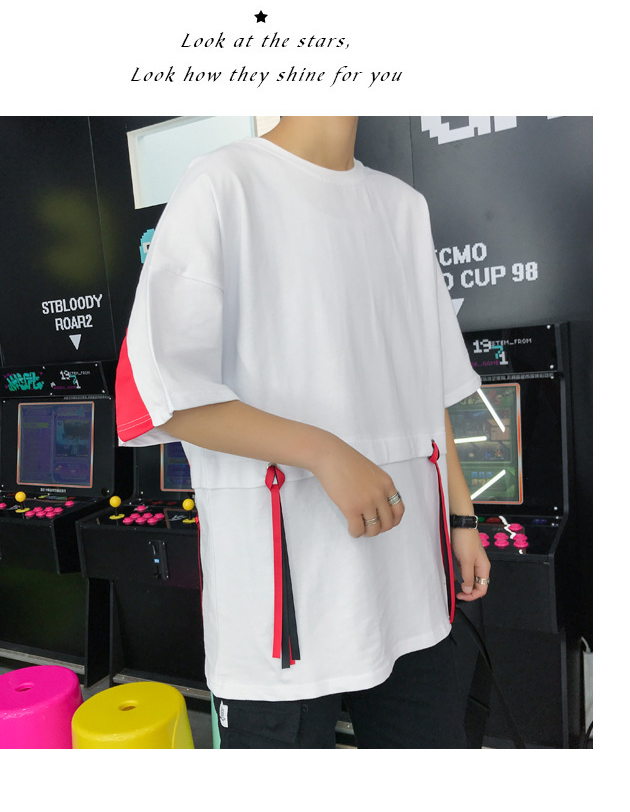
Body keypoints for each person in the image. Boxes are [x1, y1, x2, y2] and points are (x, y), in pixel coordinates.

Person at [117, 113, 491, 745]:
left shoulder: (403, 208)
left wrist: (462, 518)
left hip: (411, 581)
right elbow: (162, 393)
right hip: (284, 601)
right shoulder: (222, 184)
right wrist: (323, 452)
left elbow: (429, 388)